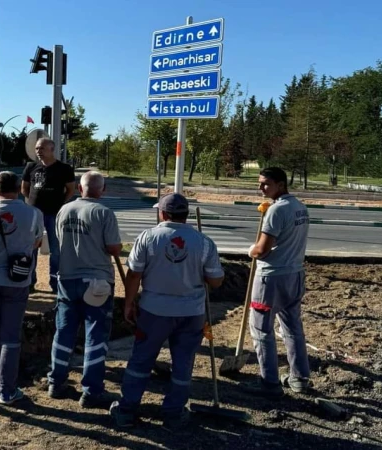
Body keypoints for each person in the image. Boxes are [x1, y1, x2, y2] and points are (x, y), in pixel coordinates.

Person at [109, 193, 224, 431]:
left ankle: (127, 410)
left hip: (154, 311)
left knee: (141, 360)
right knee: (183, 363)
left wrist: (129, 303)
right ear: (186, 214)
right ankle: (173, 413)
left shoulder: (148, 237)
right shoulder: (203, 242)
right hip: (191, 312)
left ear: (162, 213)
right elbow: (216, 281)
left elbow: (134, 274)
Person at [47, 171, 122, 408]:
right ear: (103, 189)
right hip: (97, 281)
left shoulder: (64, 210)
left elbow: (59, 241)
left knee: (64, 333)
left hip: (67, 280)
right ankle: (91, 390)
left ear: (80, 189)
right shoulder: (103, 213)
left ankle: (56, 382)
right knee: (95, 337)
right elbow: (113, 247)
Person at [240, 167, 311, 397]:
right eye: (260, 183)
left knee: (261, 329)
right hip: (295, 275)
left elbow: (262, 249)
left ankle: (269, 382)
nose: (261, 188)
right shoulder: (300, 207)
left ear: (281, 185)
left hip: (272, 278)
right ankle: (300, 378)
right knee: (292, 328)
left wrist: (251, 250)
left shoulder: (276, 211)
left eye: (266, 184)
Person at [0, 171, 44, 405]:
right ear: (20, 188)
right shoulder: (34, 214)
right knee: (11, 336)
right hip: (17, 280)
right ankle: (7, 389)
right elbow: (36, 242)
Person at [21, 137, 76, 293]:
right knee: (30, 249)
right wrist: (31, 203)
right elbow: (24, 189)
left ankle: (54, 282)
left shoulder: (64, 169)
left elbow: (71, 190)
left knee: (56, 249)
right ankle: (30, 281)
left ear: (52, 150)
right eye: (37, 148)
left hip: (54, 214)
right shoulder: (31, 167)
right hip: (33, 215)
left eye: (42, 148)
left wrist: (61, 203)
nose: (39, 151)